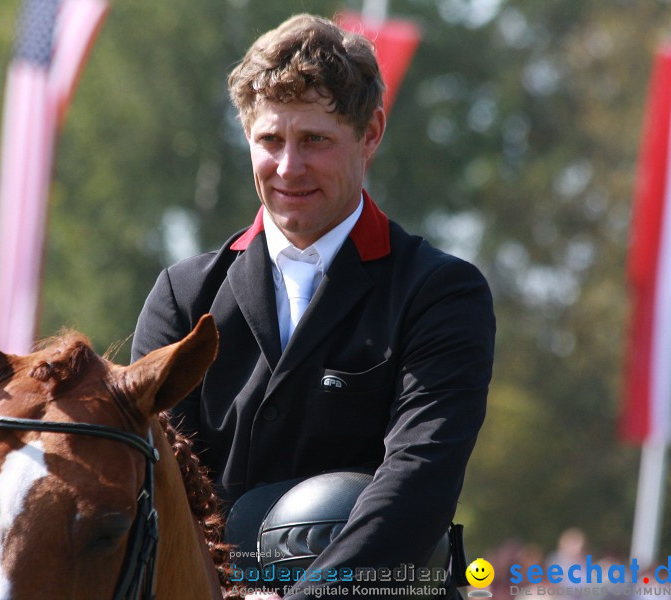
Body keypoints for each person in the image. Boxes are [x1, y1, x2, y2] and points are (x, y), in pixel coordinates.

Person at [131, 13, 495, 599]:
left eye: (315, 141)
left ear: (371, 133)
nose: (288, 168)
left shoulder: (441, 293)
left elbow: (419, 481)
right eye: (270, 140)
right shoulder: (183, 295)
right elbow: (152, 485)